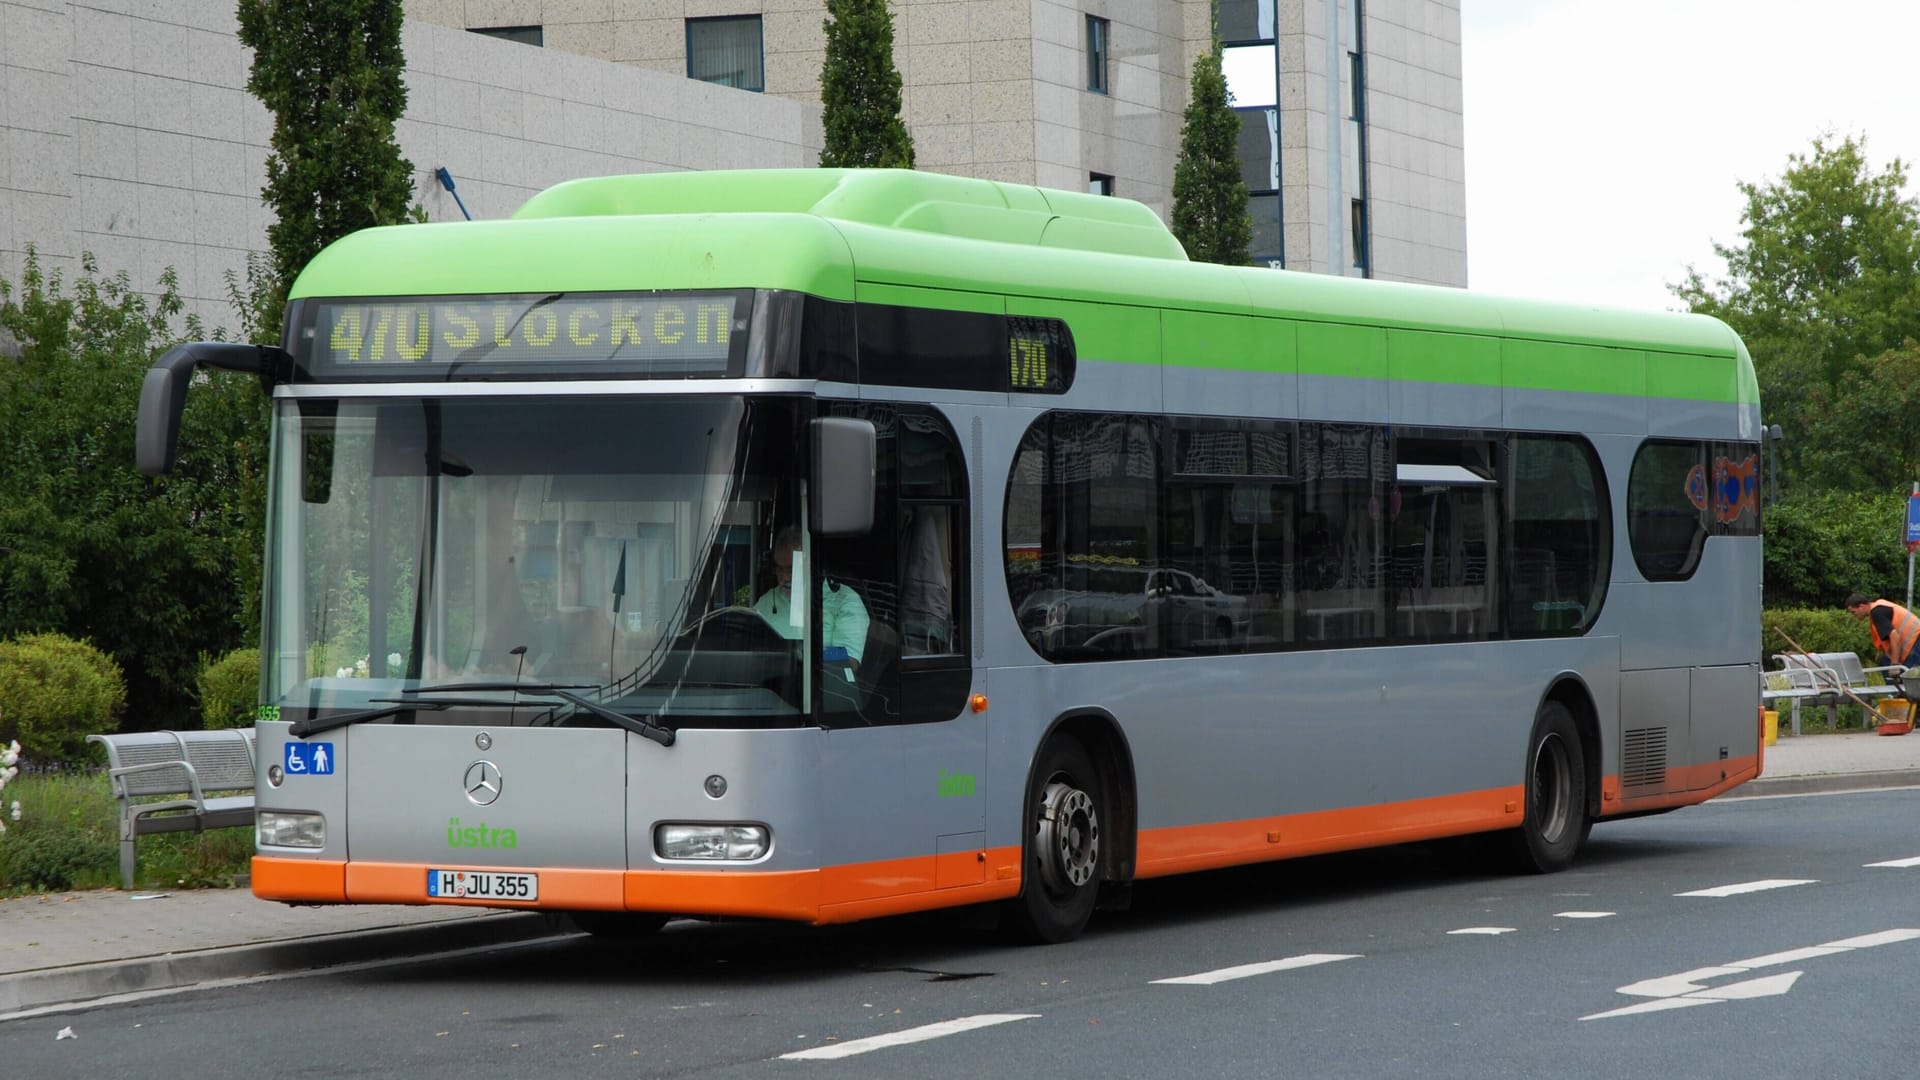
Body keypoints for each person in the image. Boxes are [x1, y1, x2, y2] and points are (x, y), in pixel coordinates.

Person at [753, 526, 869, 666]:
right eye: (779, 569)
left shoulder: (845, 601)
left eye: (792, 570)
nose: (784, 578)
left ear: (812, 565)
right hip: (773, 685)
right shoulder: (767, 601)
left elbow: (848, 662)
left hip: (820, 686)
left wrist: (798, 655)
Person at [1844, 592, 1920, 670]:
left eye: (1853, 612)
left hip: (1915, 644)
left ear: (1861, 606)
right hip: (1915, 642)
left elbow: (1894, 636)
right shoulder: (1880, 606)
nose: (1853, 615)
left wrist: (1894, 664)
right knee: (1885, 661)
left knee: (1913, 679)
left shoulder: (1877, 613)